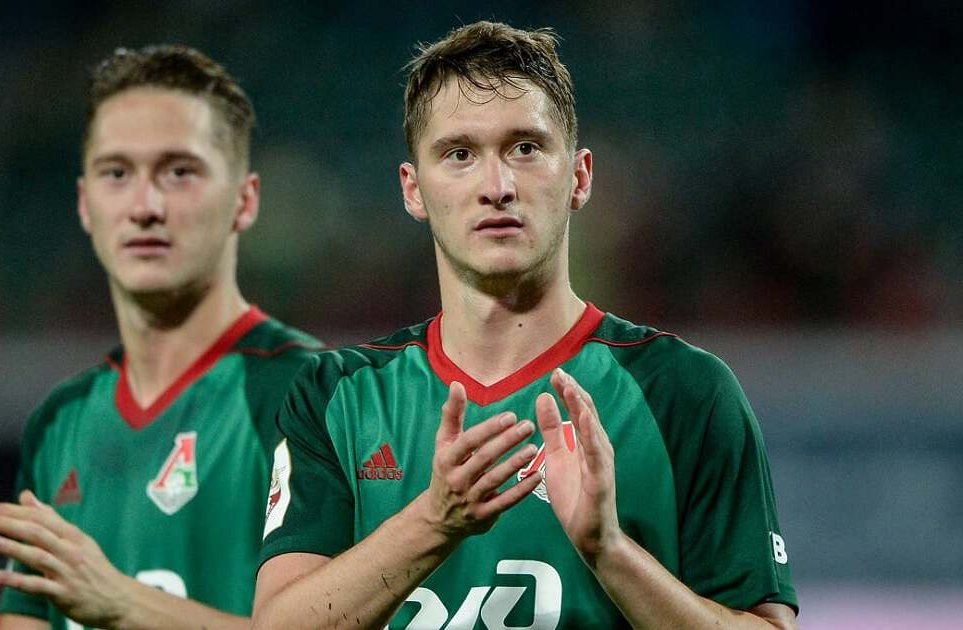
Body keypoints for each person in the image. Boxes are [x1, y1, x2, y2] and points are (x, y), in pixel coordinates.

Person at [253, 21, 798, 630]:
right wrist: (433, 522)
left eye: (526, 149)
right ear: (413, 190)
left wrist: (610, 553)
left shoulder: (684, 391)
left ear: (579, 177)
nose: (498, 187)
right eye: (459, 155)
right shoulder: (336, 397)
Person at [0, 44, 321, 630]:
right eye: (117, 174)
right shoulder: (60, 423)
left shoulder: (312, 393)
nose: (145, 206)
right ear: (85, 204)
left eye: (179, 172)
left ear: (245, 199)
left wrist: (123, 603)